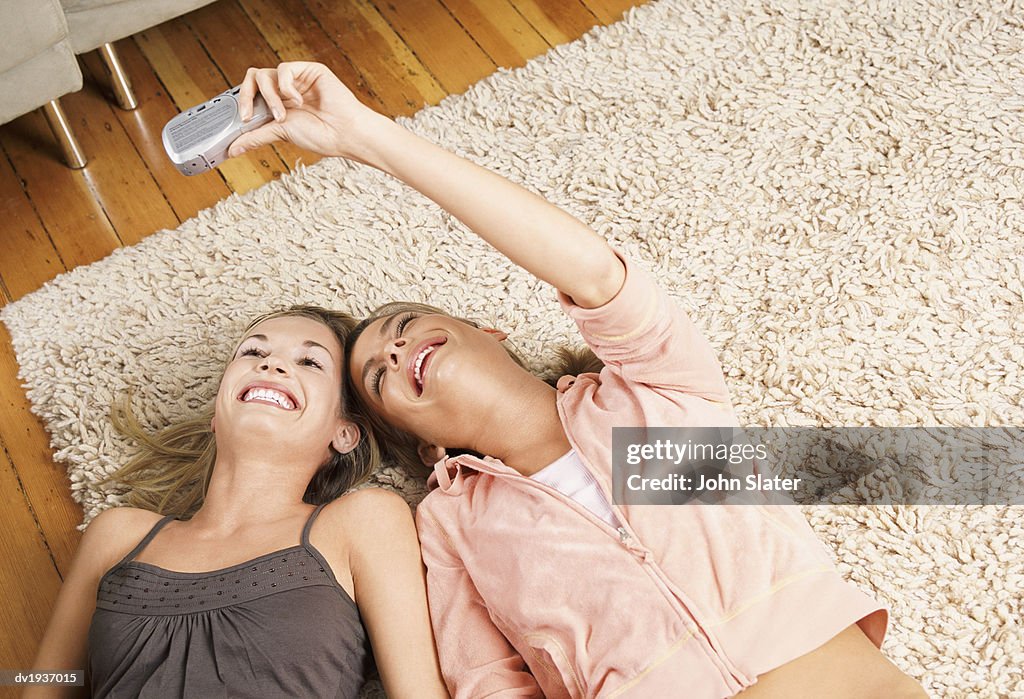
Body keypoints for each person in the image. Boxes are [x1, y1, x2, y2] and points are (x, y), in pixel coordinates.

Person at [230, 63, 929, 698]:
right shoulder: (448, 525)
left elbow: (595, 273)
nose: (395, 351)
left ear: (487, 329)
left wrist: (363, 134)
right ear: (422, 445)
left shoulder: (652, 388)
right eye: (379, 377)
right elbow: (489, 684)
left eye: (404, 324)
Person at [26, 305, 448, 698]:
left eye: (309, 362)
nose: (271, 364)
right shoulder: (117, 534)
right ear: (216, 413)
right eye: (253, 352)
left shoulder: (363, 522)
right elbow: (48, 681)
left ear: (344, 432)